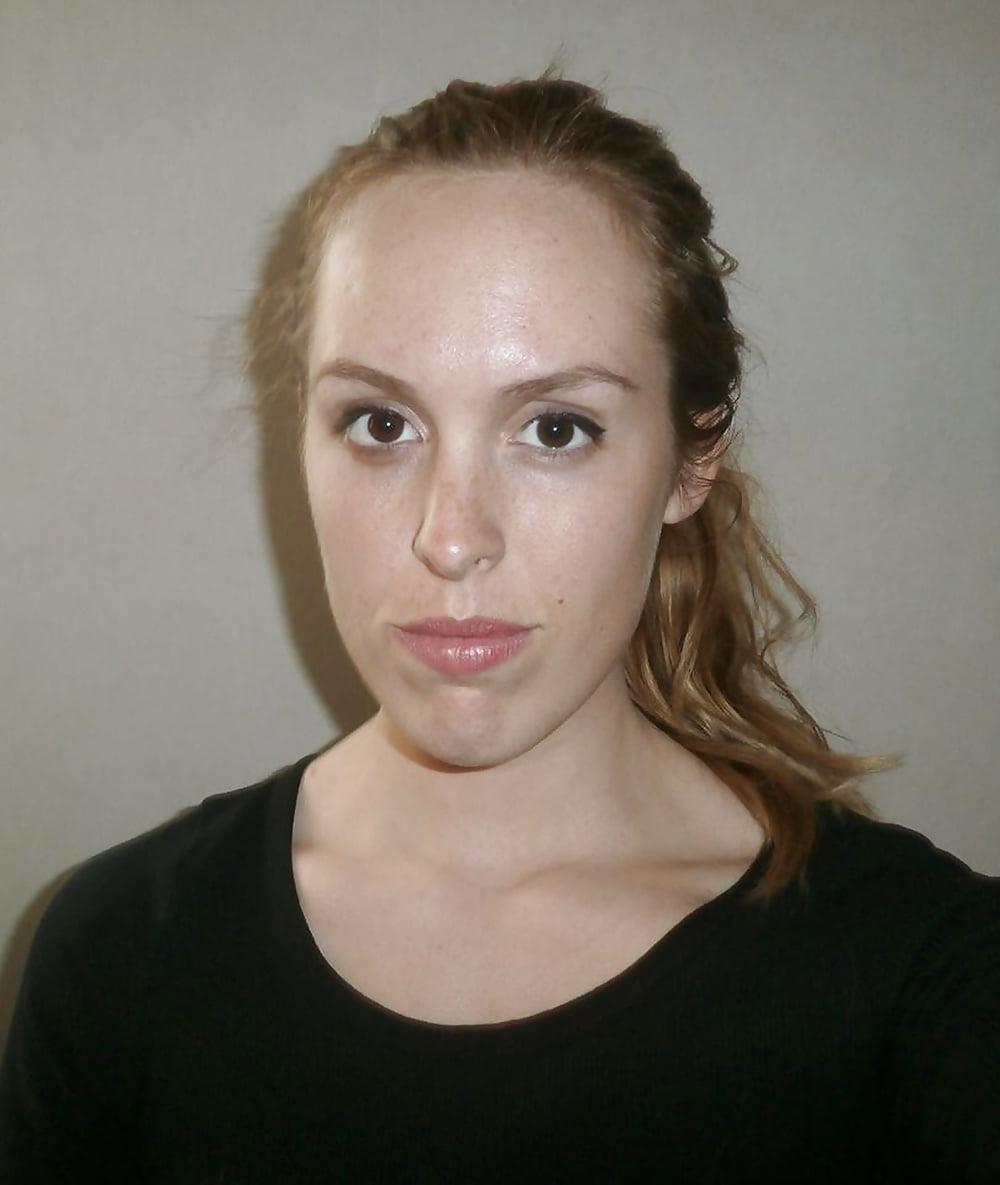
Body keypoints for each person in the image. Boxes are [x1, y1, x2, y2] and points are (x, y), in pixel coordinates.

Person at [1, 67, 997, 1183]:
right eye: (380, 423)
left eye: (556, 429)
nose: (452, 537)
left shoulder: (926, 978)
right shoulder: (121, 950)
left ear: (692, 460)